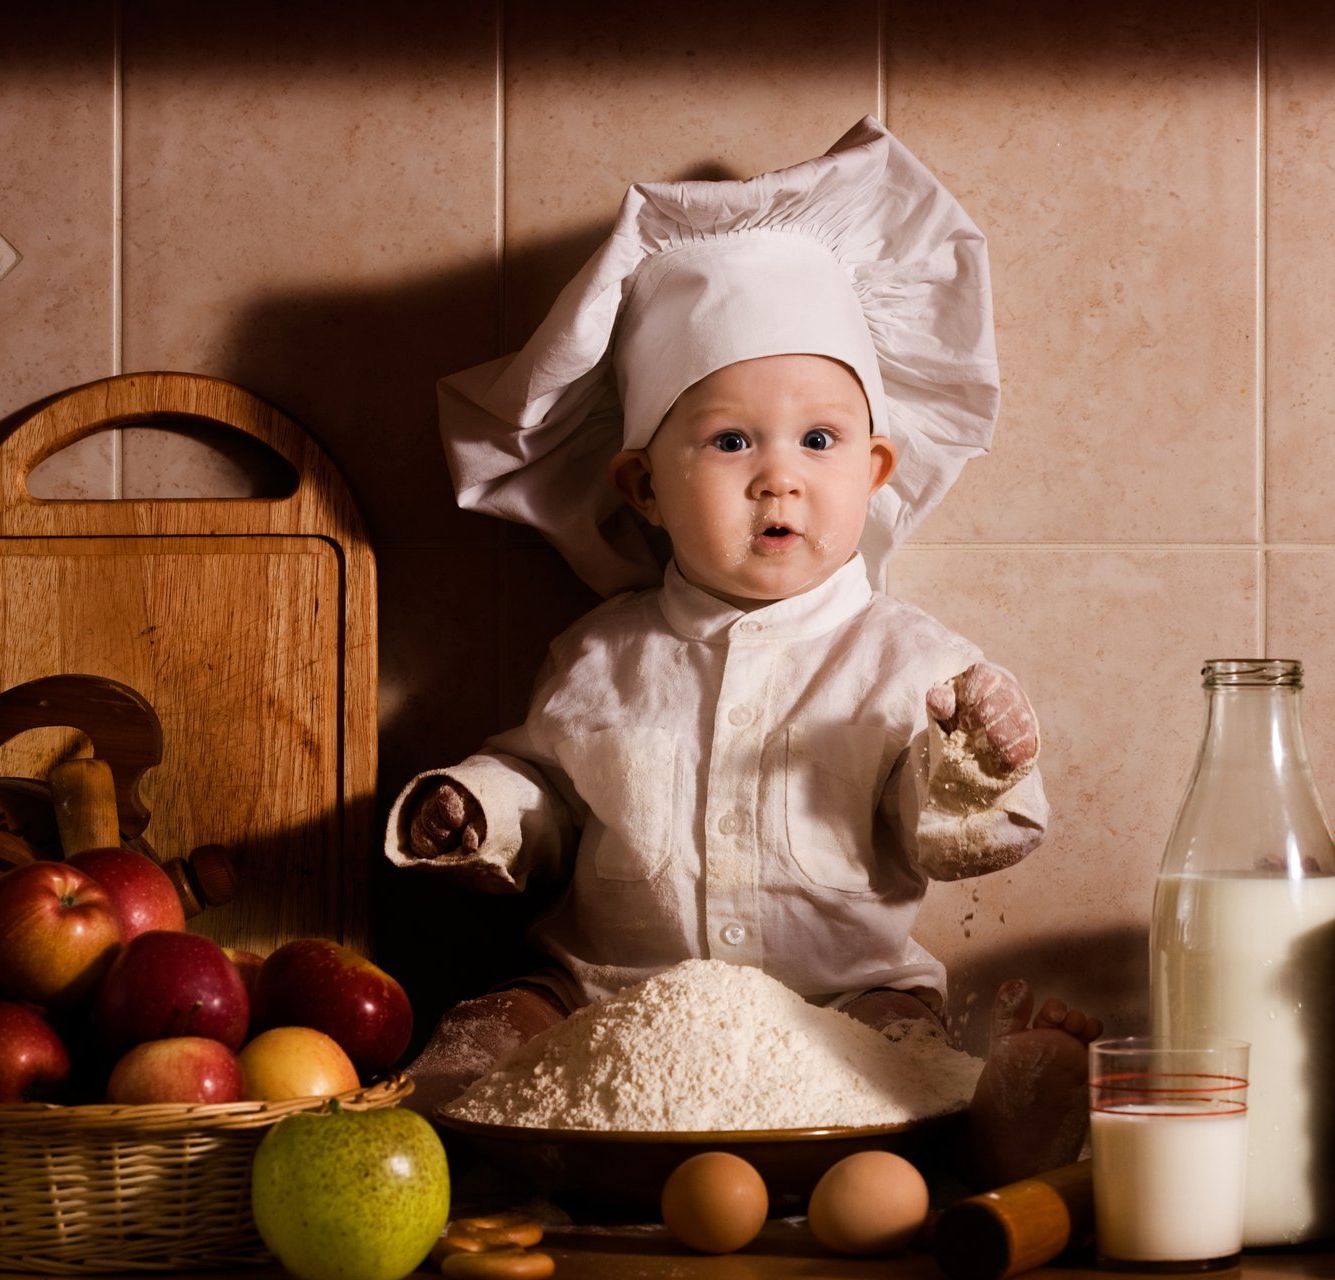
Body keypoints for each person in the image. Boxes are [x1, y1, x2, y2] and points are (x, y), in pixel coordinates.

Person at [386, 117, 1098, 1187]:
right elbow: (546, 789)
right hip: (608, 1005)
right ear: (642, 488)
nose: (781, 477)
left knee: (910, 1044)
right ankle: (448, 1152)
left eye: (820, 440)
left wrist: (976, 764)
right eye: (730, 441)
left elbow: (941, 828)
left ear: (877, 467)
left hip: (840, 1008)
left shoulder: (907, 661)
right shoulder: (599, 657)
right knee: (493, 1021)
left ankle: (997, 1129)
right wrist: (480, 805)